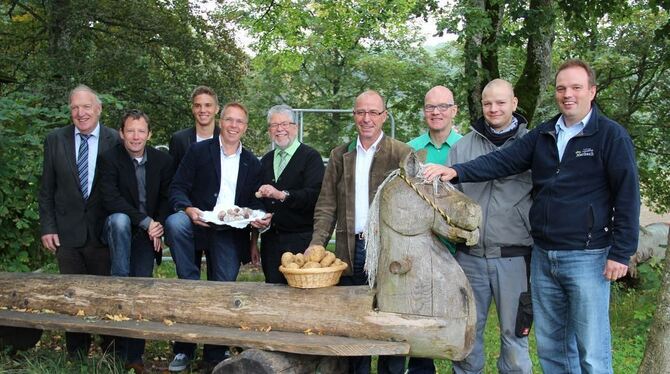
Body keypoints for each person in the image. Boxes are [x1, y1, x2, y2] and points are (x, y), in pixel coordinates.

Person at [425, 60, 640, 373]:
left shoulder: (610, 136)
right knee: (552, 347)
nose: (568, 94)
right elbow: (502, 162)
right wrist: (456, 170)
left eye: (576, 87)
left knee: (591, 350)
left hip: (587, 256)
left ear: (591, 92)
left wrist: (621, 252)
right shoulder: (544, 134)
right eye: (562, 88)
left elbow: (627, 195)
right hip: (543, 256)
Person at [309, 90, 411, 374]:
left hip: (390, 254)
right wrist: (317, 244)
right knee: (355, 326)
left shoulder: (401, 154)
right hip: (349, 251)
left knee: (390, 324)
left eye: (373, 113)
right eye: (360, 112)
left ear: (384, 116)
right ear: (354, 115)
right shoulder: (340, 155)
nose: (366, 119)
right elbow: (326, 204)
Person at [165, 102, 268, 372]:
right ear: (221, 122)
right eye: (229, 120)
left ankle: (214, 353)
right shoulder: (198, 151)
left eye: (240, 122)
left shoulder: (252, 162)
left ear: (245, 127)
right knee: (175, 223)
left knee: (224, 289)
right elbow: (177, 187)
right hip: (198, 222)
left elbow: (254, 205)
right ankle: (184, 349)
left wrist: (255, 221)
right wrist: (187, 208)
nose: (234, 126)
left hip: (230, 231)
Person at [447, 79, 532, 374]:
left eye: (500, 102)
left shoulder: (533, 144)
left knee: (515, 336)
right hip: (469, 258)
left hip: (514, 257)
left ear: (514, 103)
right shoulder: (461, 147)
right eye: (487, 103)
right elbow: (450, 201)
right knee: (467, 332)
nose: (493, 108)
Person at [38, 84, 120, 358]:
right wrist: (47, 227)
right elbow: (47, 187)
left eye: (86, 107)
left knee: (105, 294)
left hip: (102, 233)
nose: (80, 113)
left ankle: (110, 352)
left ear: (98, 109)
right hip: (66, 232)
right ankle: (76, 356)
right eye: (74, 107)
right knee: (71, 294)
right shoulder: (55, 139)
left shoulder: (115, 140)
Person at [99, 109, 174, 372]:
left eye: (141, 130)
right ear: (121, 133)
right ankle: (120, 275)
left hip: (147, 235)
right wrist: (146, 222)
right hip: (121, 231)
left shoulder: (162, 161)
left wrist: (158, 226)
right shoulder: (110, 159)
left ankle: (135, 356)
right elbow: (111, 198)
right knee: (119, 219)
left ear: (149, 134)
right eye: (130, 130)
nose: (135, 136)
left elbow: (167, 198)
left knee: (140, 288)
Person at [402, 86, 464, 372]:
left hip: (460, 249)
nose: (436, 112)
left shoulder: (466, 146)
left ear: (454, 110)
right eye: (430, 107)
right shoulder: (412, 148)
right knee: (418, 316)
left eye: (442, 107)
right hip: (420, 249)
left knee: (458, 318)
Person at [256, 105, 325, 283]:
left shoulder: (311, 157)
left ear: (295, 127)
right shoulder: (266, 160)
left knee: (301, 297)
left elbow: (314, 196)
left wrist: (282, 195)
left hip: (301, 242)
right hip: (271, 242)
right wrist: (259, 219)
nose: (280, 129)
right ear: (269, 130)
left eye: (285, 124)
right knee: (272, 294)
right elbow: (258, 200)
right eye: (274, 125)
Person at [168, 86, 221, 276]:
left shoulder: (227, 137)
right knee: (189, 276)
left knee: (219, 279)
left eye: (208, 105)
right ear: (192, 109)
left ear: (216, 109)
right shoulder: (180, 140)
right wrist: (185, 208)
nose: (203, 110)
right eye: (198, 105)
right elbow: (173, 181)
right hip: (188, 213)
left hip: (218, 217)